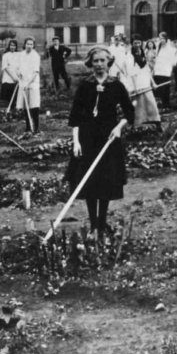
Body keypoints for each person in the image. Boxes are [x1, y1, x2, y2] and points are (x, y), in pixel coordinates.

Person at [66, 46, 134, 237]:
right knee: (89, 182)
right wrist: (76, 142)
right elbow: (75, 117)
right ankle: (93, 224)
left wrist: (118, 127)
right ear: (90, 63)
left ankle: (102, 224)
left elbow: (129, 112)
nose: (99, 64)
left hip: (108, 139)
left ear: (109, 62)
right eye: (95, 61)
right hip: (88, 139)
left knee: (105, 182)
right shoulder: (85, 85)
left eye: (102, 60)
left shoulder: (116, 85)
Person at [14, 37, 43, 135]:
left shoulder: (35, 56)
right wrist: (19, 73)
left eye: (31, 44)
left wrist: (28, 83)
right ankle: (28, 127)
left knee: (34, 106)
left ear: (33, 45)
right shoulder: (21, 55)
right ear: (24, 44)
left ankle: (36, 128)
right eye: (27, 44)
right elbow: (17, 68)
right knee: (25, 106)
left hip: (33, 84)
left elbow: (35, 73)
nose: (29, 46)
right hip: (23, 83)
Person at [132, 41, 163, 128]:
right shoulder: (130, 58)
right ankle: (139, 125)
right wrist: (135, 88)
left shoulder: (144, 58)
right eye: (135, 44)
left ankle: (156, 122)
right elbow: (132, 75)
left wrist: (153, 83)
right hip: (138, 86)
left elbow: (148, 72)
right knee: (140, 106)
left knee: (152, 104)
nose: (138, 46)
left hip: (146, 85)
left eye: (139, 44)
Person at [153, 35, 176, 109]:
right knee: (160, 88)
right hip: (158, 70)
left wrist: (171, 68)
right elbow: (156, 57)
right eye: (160, 39)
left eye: (163, 38)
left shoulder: (170, 48)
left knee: (166, 87)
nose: (161, 40)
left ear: (166, 39)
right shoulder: (158, 47)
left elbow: (172, 59)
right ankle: (162, 104)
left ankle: (167, 103)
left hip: (166, 71)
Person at [0, 38, 20, 109]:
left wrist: (18, 77)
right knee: (7, 99)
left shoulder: (18, 55)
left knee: (15, 98)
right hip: (8, 79)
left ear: (16, 47)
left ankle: (14, 111)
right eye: (11, 45)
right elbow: (5, 68)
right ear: (9, 46)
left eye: (14, 46)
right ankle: (7, 112)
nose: (12, 47)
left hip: (16, 79)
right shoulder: (5, 55)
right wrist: (13, 77)